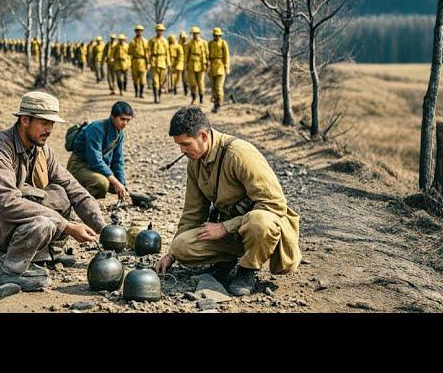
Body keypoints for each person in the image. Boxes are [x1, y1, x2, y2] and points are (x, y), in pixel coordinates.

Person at [0, 92, 106, 291]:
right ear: (25, 120)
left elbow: (74, 188)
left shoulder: (41, 150)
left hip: (12, 220)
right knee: (43, 223)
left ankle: (45, 254)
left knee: (60, 194)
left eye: (52, 124)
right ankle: (9, 269)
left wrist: (102, 228)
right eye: (44, 123)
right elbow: (9, 204)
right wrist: (67, 226)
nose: (50, 130)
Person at [155, 106, 301, 296]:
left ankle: (248, 270)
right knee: (181, 247)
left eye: (186, 144)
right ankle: (225, 262)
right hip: (231, 231)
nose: (182, 151)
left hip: (261, 230)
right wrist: (171, 254)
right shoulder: (195, 162)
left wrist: (224, 228)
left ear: (204, 136)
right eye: (179, 145)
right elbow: (193, 212)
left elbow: (275, 205)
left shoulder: (240, 154)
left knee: (260, 222)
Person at [67, 101, 133, 200]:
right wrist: (115, 182)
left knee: (117, 185)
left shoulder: (119, 134)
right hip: (79, 165)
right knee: (102, 183)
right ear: (112, 116)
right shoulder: (96, 128)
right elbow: (95, 160)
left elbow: (117, 161)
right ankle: (77, 201)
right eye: (122, 119)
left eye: (128, 120)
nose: (125, 123)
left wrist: (121, 185)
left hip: (94, 168)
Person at [208, 27, 230, 113]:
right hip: (212, 67)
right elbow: (208, 55)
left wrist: (227, 67)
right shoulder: (210, 44)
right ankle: (215, 104)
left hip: (220, 67)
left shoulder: (223, 43)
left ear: (220, 35)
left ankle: (219, 104)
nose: (216, 37)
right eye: (215, 35)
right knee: (213, 88)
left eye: (218, 35)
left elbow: (227, 56)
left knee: (218, 87)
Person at [185, 26, 208, 105]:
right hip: (191, 65)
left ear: (199, 34)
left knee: (201, 83)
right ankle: (194, 98)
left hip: (201, 65)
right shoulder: (189, 43)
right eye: (193, 34)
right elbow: (186, 55)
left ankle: (201, 99)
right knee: (192, 83)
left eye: (196, 33)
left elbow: (207, 54)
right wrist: (186, 64)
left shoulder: (204, 43)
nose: (195, 35)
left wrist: (207, 63)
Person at [148, 23, 169, 103]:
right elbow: (148, 52)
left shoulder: (165, 41)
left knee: (161, 82)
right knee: (155, 81)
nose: (159, 32)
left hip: (162, 62)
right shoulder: (152, 41)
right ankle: (156, 97)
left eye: (161, 30)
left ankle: (159, 96)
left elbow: (167, 53)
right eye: (158, 30)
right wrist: (148, 63)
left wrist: (168, 63)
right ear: (156, 31)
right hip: (154, 62)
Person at [128, 25, 149, 98]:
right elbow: (129, 52)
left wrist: (148, 63)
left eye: (140, 30)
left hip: (143, 61)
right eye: (137, 30)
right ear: (135, 31)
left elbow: (147, 53)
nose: (139, 32)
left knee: (143, 80)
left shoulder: (145, 41)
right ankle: (136, 92)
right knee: (135, 79)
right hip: (134, 61)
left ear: (142, 31)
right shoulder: (132, 42)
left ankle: (141, 93)